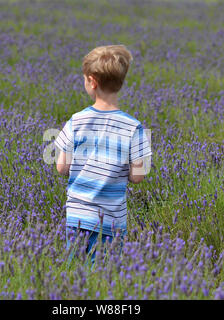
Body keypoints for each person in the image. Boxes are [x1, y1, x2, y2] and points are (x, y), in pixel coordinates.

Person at [54, 44, 152, 266]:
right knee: (104, 274)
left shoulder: (76, 120)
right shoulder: (133, 127)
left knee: (74, 271)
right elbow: (138, 176)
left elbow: (61, 167)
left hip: (77, 217)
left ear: (92, 82)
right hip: (112, 221)